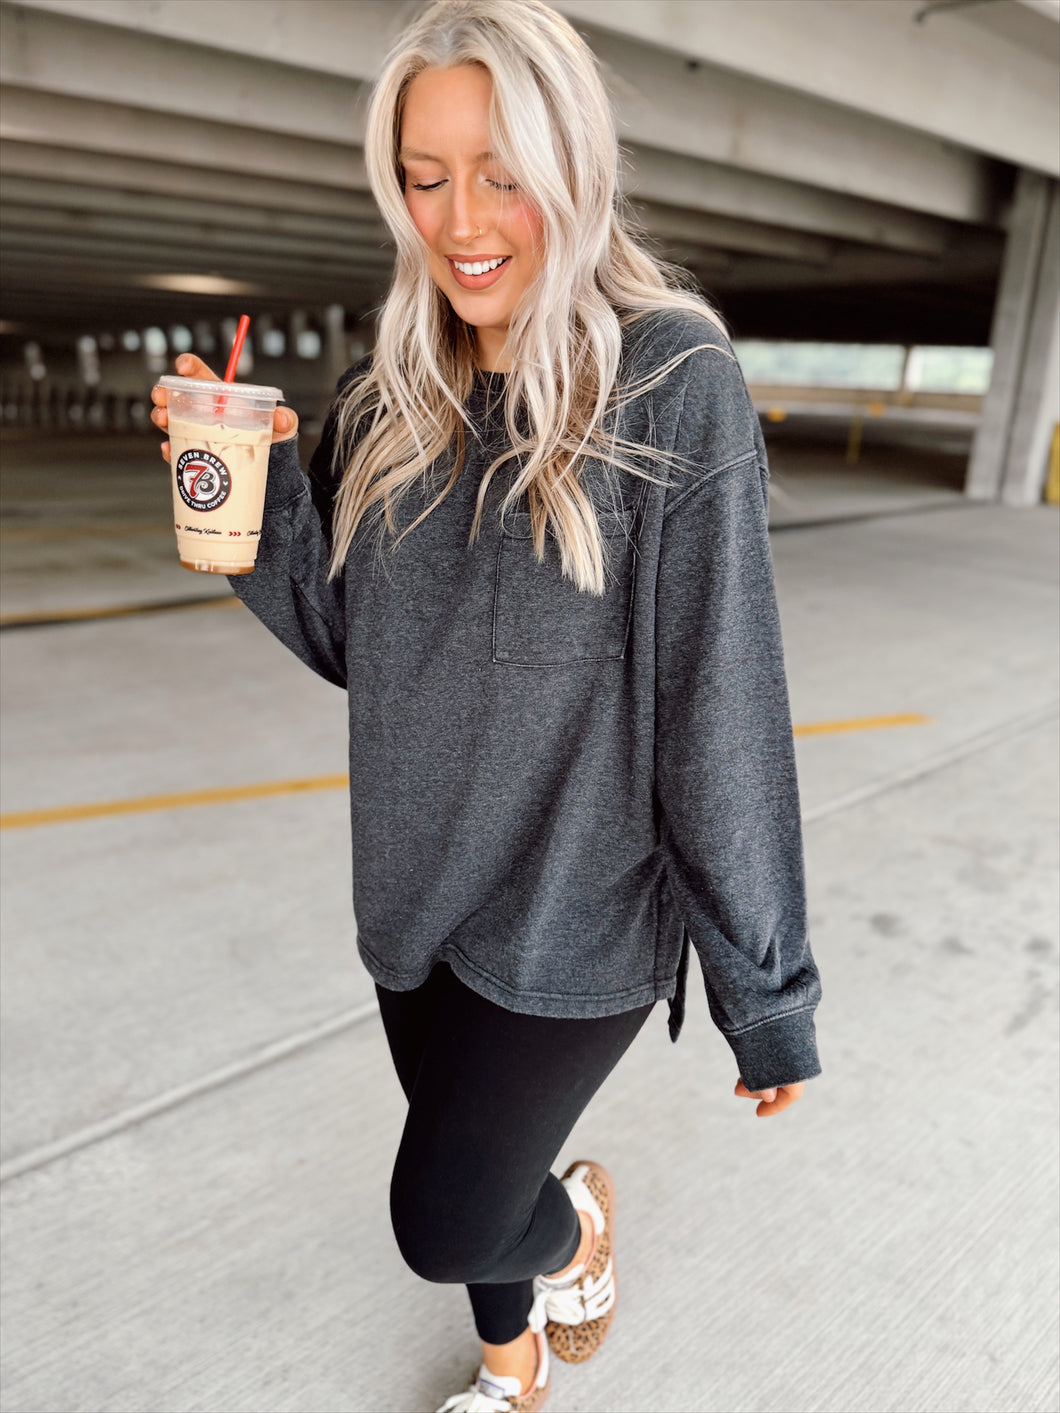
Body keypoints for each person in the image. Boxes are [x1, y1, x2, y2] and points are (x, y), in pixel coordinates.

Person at [151, 2, 822, 1408]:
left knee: (448, 1210)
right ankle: (513, 1374)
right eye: (425, 172)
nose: (461, 218)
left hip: (578, 906)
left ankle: (573, 1224)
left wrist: (767, 990)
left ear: (573, 161)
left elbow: (722, 698)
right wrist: (255, 504)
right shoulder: (390, 391)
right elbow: (355, 642)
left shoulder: (673, 383)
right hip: (416, 887)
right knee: (473, 1165)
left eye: (501, 168)